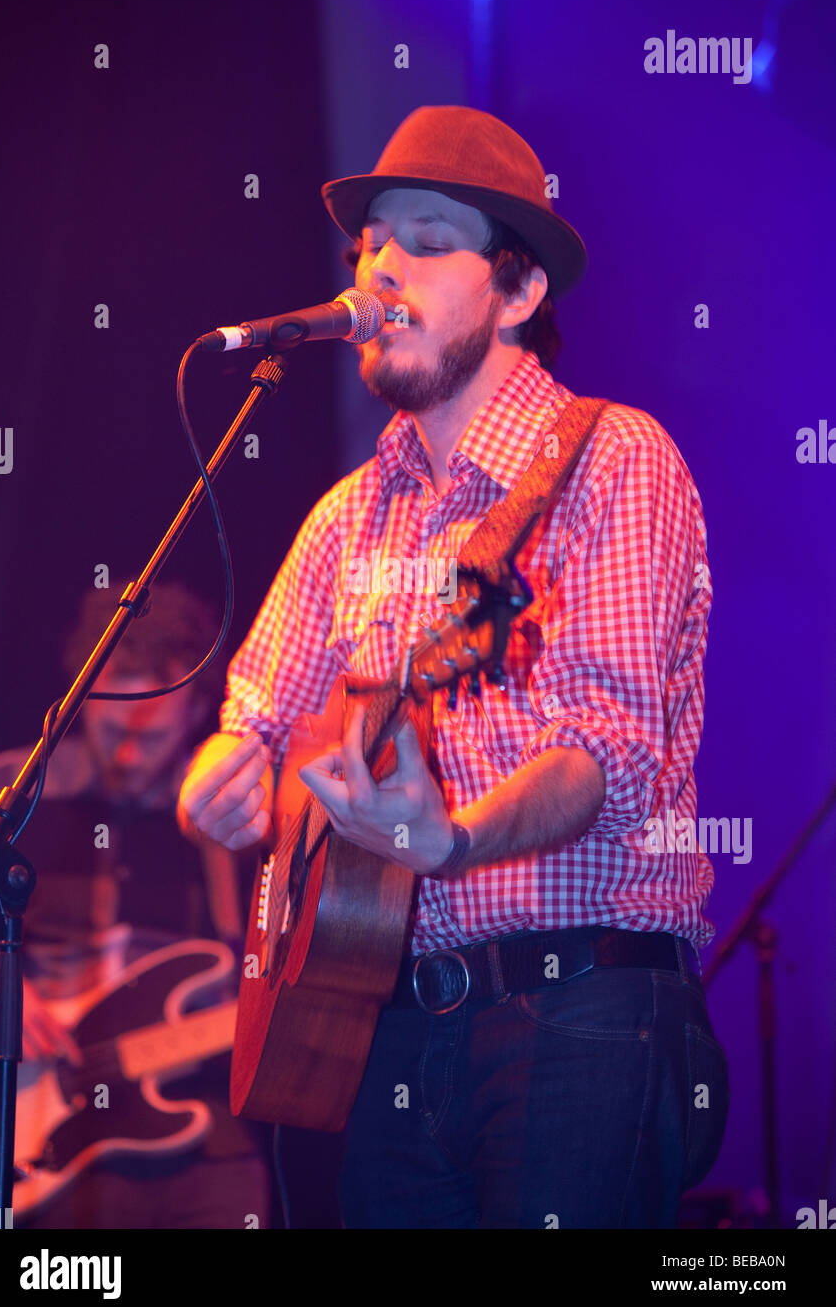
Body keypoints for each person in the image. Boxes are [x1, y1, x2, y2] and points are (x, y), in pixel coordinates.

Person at [178, 105, 730, 1229]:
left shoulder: (613, 460)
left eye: (424, 240)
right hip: (379, 1027)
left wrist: (455, 839)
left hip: (581, 1012)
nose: (379, 268)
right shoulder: (348, 514)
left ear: (519, 292)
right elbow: (256, 714)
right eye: (367, 248)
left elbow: (605, 752)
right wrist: (225, 779)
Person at [0, 582, 273, 1229]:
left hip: (195, 1123)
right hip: (19, 1118)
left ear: (196, 712)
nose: (130, 753)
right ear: (80, 701)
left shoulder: (234, 817)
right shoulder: (10, 791)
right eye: (113, 728)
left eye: (153, 733)